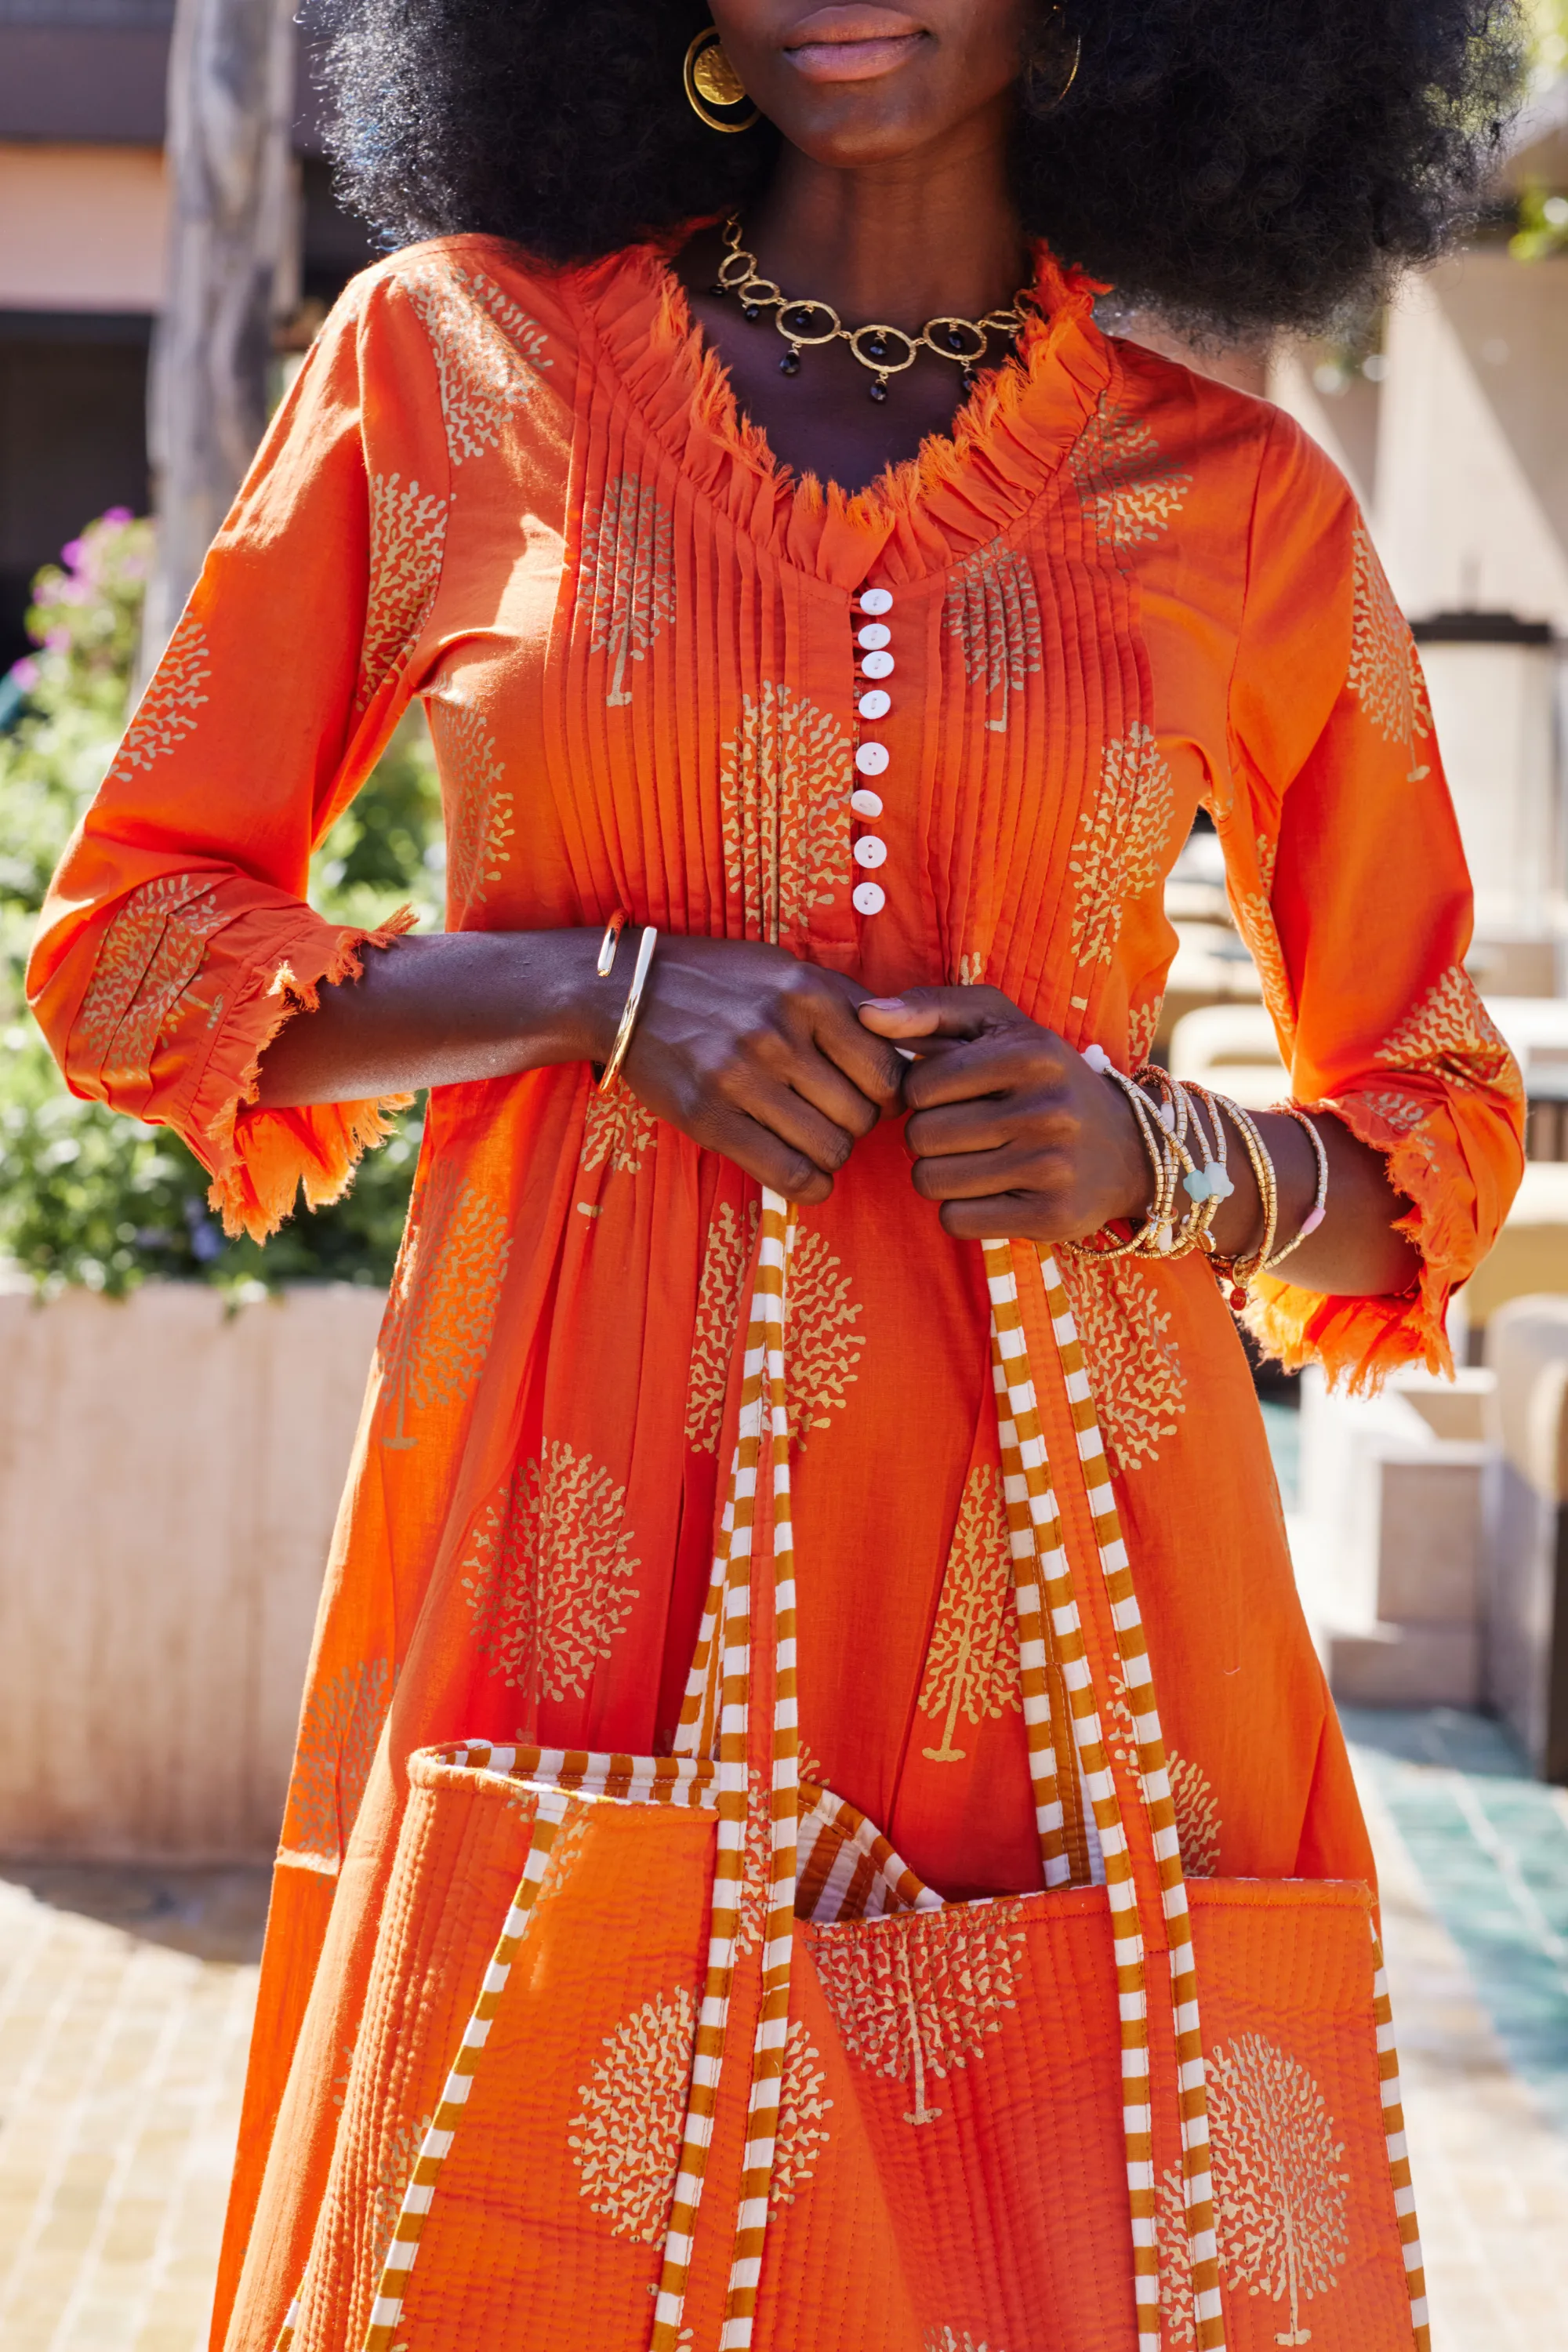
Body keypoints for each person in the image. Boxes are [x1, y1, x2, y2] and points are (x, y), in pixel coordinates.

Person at [31, 2, 1524, 2345]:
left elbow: (1429, 1126)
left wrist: (1165, 1155)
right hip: (568, 1564)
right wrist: (595, 991)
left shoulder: (1236, 498)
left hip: (1077, 1615)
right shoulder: (453, 370)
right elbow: (133, 954)